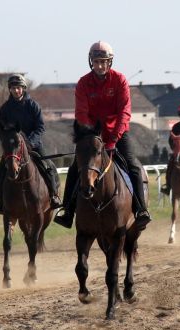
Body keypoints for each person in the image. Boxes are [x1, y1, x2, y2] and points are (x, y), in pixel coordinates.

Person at [53, 41, 151, 230]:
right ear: (91, 62)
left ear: (110, 62)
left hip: (117, 134)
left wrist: (113, 139)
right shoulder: (83, 83)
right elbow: (81, 113)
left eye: (103, 61)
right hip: (92, 136)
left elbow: (125, 112)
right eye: (96, 61)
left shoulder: (120, 80)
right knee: (76, 169)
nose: (99, 65)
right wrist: (91, 136)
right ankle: (68, 212)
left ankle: (141, 210)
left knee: (133, 166)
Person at [0, 73, 62, 213]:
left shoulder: (33, 106)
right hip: (13, 148)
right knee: (0, 172)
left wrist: (29, 142)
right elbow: (0, 130)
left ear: (23, 88)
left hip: (33, 145)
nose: (16, 90)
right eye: (13, 88)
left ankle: (54, 196)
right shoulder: (5, 108)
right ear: (10, 89)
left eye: (18, 88)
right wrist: (8, 143)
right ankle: (1, 202)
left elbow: (40, 127)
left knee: (49, 166)